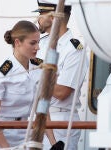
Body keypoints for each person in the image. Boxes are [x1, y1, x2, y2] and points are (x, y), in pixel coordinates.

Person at [0, 20, 43, 149]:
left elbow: (43, 111)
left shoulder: (38, 68)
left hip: (24, 133)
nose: (38, 47)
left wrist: (53, 142)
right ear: (17, 42)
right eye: (33, 43)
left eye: (38, 42)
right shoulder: (3, 72)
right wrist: (6, 148)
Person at [33, 0, 89, 149]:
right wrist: (48, 77)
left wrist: (35, 76)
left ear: (52, 17)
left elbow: (62, 91)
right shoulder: (41, 44)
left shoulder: (74, 50)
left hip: (59, 122)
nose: (38, 19)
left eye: (41, 14)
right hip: (35, 116)